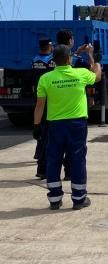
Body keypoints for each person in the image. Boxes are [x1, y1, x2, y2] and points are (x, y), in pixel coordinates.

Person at [33, 44, 101, 210]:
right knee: (77, 159)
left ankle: (55, 199)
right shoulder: (81, 74)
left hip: (54, 125)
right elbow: (97, 76)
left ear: (53, 60)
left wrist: (36, 126)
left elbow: (40, 105)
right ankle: (79, 199)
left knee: (53, 159)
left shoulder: (46, 78)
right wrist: (94, 58)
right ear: (69, 59)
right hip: (77, 124)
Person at [32, 38, 55, 179]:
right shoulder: (50, 61)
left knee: (40, 129)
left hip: (38, 97)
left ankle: (38, 155)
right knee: (48, 135)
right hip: (50, 99)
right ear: (49, 46)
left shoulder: (35, 60)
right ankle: (43, 167)